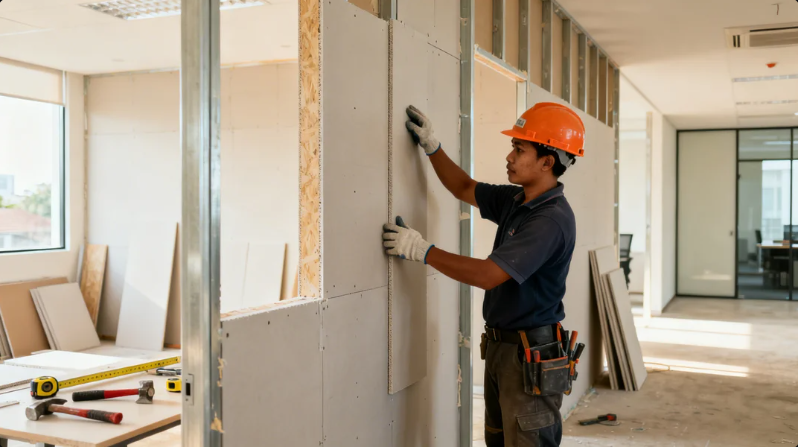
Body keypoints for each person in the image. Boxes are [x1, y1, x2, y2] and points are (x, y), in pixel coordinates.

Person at [382, 102, 585, 447]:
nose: (509, 156)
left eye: (519, 149)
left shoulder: (549, 220)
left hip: (529, 354)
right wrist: (432, 146)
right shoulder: (518, 200)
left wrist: (422, 250)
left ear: (547, 162)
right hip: (502, 348)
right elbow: (464, 187)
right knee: (498, 440)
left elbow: (488, 275)